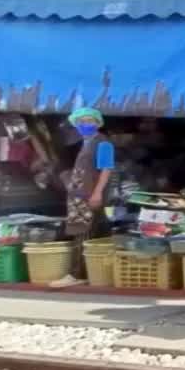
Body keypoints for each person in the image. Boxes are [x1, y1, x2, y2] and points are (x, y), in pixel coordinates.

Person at [65, 108, 115, 279]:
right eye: (82, 122)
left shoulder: (103, 143)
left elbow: (106, 170)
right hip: (79, 196)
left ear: (98, 123)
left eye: (90, 121)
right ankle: (94, 274)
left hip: (90, 195)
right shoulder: (86, 143)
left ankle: (76, 274)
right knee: (94, 232)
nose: (85, 124)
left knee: (82, 231)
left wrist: (97, 193)